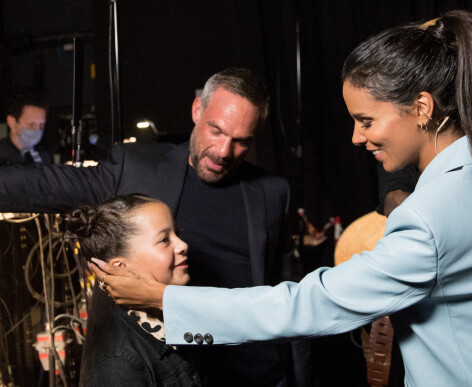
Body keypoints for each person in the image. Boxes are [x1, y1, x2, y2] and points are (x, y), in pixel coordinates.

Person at [91, 10, 472, 386]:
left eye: (366, 120)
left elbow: (311, 304)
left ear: (422, 107)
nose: (356, 138)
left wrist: (165, 299)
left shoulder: (430, 215)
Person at [0, 68, 293, 386]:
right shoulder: (137, 168)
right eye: (216, 131)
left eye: (240, 141)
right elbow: (47, 185)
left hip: (252, 375)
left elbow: (285, 296)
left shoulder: (272, 193)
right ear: (197, 110)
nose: (223, 151)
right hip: (163, 374)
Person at [66, 194, 202, 386]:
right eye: (164, 240)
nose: (183, 245)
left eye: (177, 233)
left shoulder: (173, 319)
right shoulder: (117, 363)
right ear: (120, 267)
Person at [0, 92, 51, 165]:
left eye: (41, 125)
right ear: (11, 122)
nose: (38, 129)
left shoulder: (43, 154)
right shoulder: (3, 156)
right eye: (31, 124)